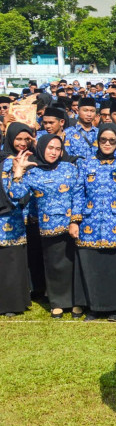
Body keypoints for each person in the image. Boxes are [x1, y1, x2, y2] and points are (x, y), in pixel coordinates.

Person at [8, 135, 82, 318]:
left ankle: (76, 302)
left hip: (72, 226)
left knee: (74, 264)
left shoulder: (70, 169)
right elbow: (15, 194)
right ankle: (57, 302)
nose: (54, 152)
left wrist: (75, 220)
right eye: (50, 148)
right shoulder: (33, 172)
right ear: (41, 148)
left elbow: (79, 195)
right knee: (54, 265)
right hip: (48, 226)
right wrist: (18, 172)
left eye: (58, 148)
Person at [70, 124, 116, 321]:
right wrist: (75, 221)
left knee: (114, 266)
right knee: (94, 266)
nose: (107, 144)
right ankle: (95, 307)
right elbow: (78, 193)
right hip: (90, 223)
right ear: (97, 141)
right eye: (103, 140)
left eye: (112, 141)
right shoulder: (86, 164)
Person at [0, 123, 33, 316]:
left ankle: (13, 303)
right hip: (6, 217)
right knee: (6, 260)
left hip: (17, 218)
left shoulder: (28, 158)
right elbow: (14, 193)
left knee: (14, 260)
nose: (22, 143)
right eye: (18, 139)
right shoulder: (7, 162)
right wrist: (18, 172)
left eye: (26, 139)